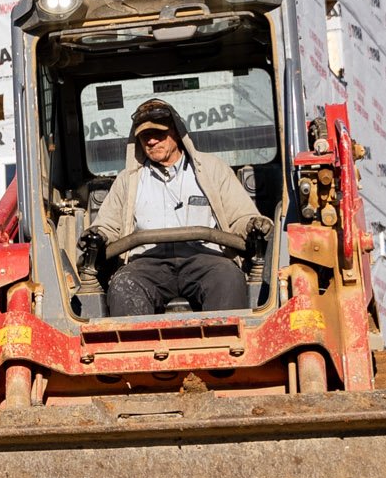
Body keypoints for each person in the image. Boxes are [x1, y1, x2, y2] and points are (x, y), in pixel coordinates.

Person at [82, 97, 268, 316]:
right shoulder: (128, 180)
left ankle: (225, 348)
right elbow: (109, 226)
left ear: (177, 133)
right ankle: (137, 350)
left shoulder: (212, 170)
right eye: (144, 136)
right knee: (124, 284)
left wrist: (252, 225)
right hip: (147, 263)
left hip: (205, 259)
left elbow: (240, 217)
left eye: (158, 134)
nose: (151, 141)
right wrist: (98, 234)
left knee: (227, 277)